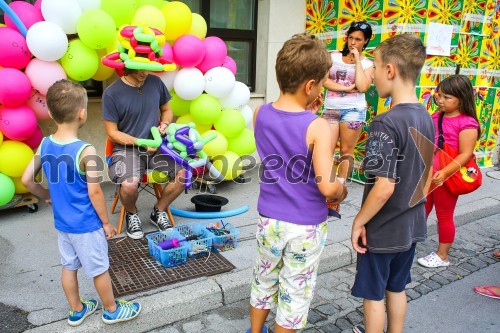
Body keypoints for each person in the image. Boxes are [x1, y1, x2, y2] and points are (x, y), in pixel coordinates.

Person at [248, 33, 348, 333]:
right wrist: (342, 184)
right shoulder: (318, 126)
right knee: (295, 292)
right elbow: (328, 187)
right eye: (321, 82)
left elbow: (283, 140)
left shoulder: (260, 112)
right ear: (311, 86)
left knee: (264, 278)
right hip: (304, 225)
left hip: (269, 218)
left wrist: (307, 113)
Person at [22, 80, 141, 326]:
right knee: (99, 269)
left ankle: (77, 310)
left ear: (52, 113)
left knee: (69, 266)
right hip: (86, 225)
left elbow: (26, 179)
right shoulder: (85, 151)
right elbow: (95, 193)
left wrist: (45, 193)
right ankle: (111, 310)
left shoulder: (45, 144)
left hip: (63, 225)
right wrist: (106, 223)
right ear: (82, 113)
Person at [350, 34, 434, 333]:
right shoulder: (426, 116)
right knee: (397, 288)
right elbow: (427, 174)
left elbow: (383, 186)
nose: (370, 75)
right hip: (411, 224)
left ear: (390, 71)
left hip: (384, 229)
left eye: (373, 66)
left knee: (373, 295)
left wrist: (359, 222)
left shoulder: (385, 122)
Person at [102, 68, 185, 239]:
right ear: (127, 66)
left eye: (147, 67)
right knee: (129, 185)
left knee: (184, 174)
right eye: (140, 69)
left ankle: (158, 210)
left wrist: (166, 122)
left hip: (156, 147)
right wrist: (140, 142)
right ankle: (131, 214)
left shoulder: (155, 82)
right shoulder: (111, 93)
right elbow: (112, 132)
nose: (145, 73)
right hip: (127, 149)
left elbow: (167, 109)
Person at [417, 75, 481, 268]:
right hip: (429, 173)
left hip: (447, 176)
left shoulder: (467, 123)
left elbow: (465, 154)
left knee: (444, 214)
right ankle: (409, 240)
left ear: (461, 98)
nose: (440, 101)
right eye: (440, 96)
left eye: (447, 97)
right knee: (422, 208)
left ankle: (442, 255)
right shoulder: (437, 116)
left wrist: (445, 173)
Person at [322, 21, 374, 181]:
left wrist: (357, 59)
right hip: (331, 109)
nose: (352, 42)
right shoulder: (333, 56)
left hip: (354, 111)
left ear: (365, 41)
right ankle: (327, 184)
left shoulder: (368, 64)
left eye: (358, 39)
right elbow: (324, 81)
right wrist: (345, 88)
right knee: (326, 148)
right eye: (350, 38)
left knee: (346, 150)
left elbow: (363, 86)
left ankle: (340, 185)